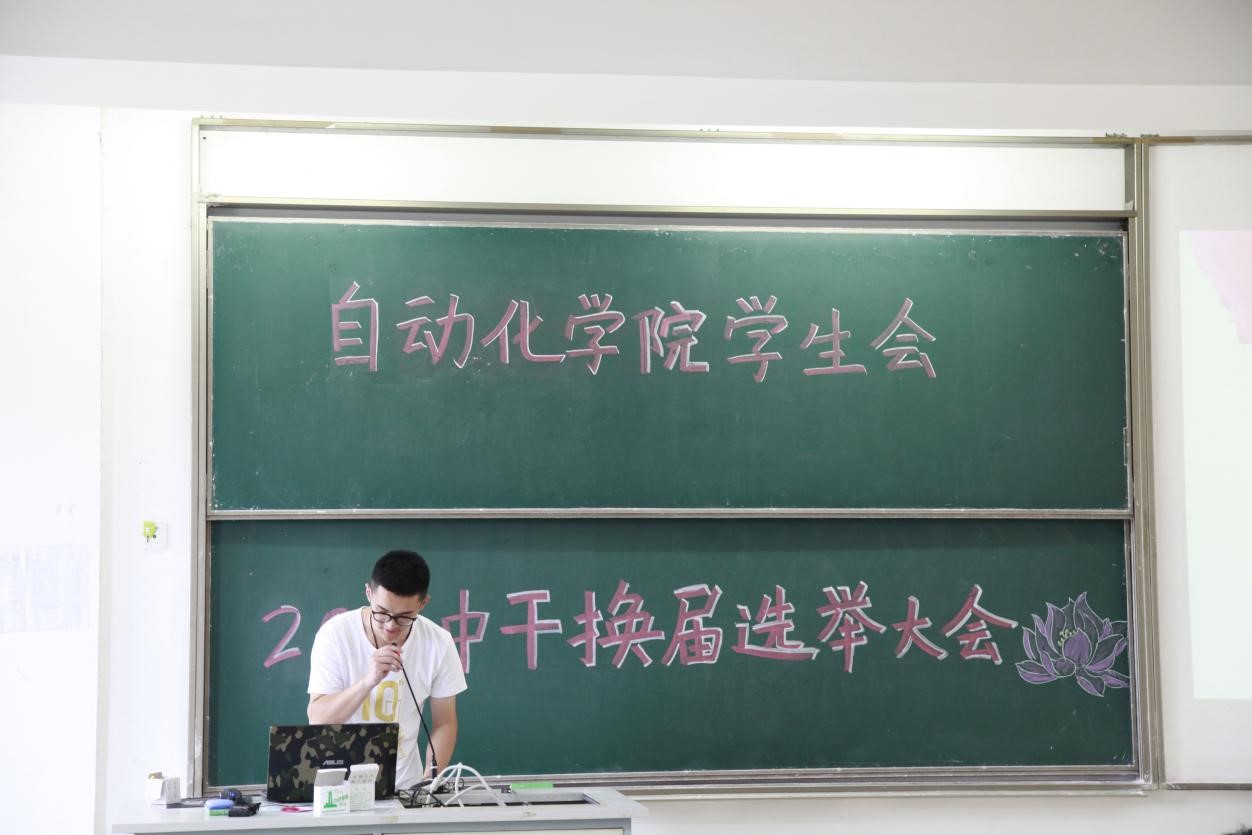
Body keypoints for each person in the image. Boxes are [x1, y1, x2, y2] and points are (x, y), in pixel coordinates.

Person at [307, 549, 467, 790]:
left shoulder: (438, 643)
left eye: (405, 617)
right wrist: (368, 681)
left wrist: (427, 783)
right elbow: (318, 718)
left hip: (404, 789)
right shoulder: (335, 634)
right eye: (381, 613)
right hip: (337, 787)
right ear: (368, 593)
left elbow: (445, 723)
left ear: (423, 603)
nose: (391, 626)